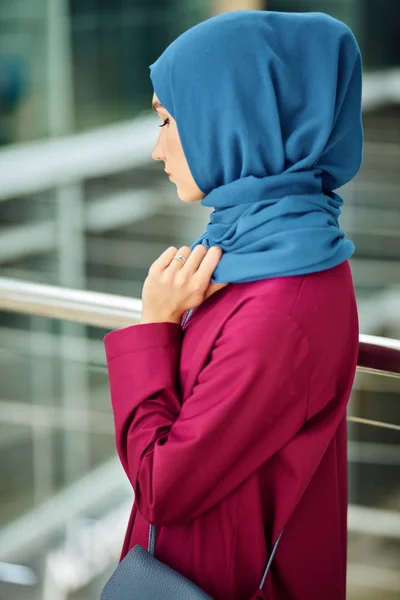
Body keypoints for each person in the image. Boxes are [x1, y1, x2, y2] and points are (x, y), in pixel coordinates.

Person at [104, 10, 363, 600]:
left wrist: (156, 326)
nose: (156, 148)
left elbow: (161, 489)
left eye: (168, 120)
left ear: (233, 118)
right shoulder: (253, 249)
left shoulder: (282, 302)